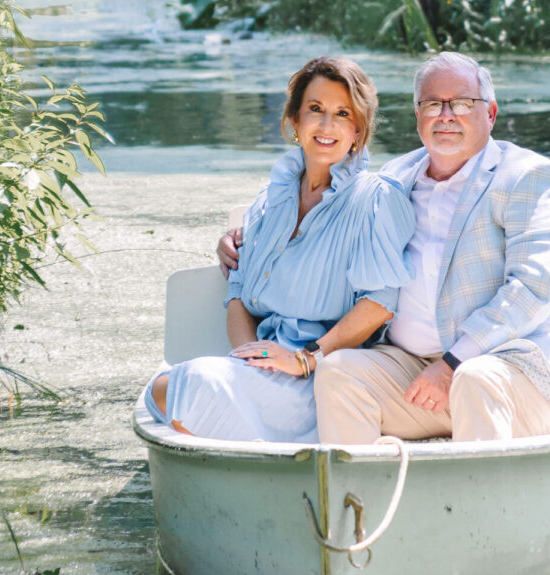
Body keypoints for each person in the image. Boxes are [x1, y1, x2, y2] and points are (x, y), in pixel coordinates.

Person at [219, 53, 550, 444]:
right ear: (417, 115)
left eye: (461, 103)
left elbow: (535, 286)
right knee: (338, 371)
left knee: (474, 379)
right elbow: (325, 228)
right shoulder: (395, 180)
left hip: (506, 372)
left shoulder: (527, 176)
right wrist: (244, 241)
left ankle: (477, 504)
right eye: (431, 103)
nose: (445, 114)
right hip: (410, 371)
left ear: (490, 113)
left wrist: (451, 363)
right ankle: (356, 500)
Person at [145, 56, 414, 443]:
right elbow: (237, 293)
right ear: (295, 120)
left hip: (322, 380)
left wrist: (304, 360)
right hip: (265, 370)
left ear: (358, 130)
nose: (326, 126)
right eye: (315, 110)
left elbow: (381, 302)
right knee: (167, 389)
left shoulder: (376, 199)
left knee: (185, 388)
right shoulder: (273, 197)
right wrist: (253, 360)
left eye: (342, 113)